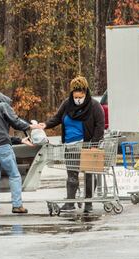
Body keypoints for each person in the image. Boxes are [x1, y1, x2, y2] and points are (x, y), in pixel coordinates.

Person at [41, 76, 105, 213]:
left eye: (80, 97)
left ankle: (88, 202)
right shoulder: (67, 104)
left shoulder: (94, 106)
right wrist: (45, 125)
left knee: (89, 174)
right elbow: (57, 118)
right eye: (75, 97)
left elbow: (100, 126)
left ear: (85, 92)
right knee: (72, 175)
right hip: (70, 146)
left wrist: (94, 143)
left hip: (86, 145)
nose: (77, 100)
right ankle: (70, 203)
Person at [0, 92, 44, 216]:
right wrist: (32, 126)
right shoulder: (2, 106)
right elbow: (15, 121)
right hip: (2, 148)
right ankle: (17, 205)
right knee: (14, 175)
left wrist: (20, 140)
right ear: (3, 100)